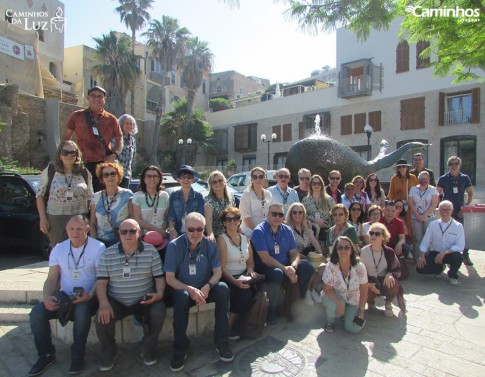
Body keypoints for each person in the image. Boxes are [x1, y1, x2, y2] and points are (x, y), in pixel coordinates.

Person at [29, 215, 105, 376]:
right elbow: (51, 278)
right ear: (66, 230)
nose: (75, 232)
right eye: (71, 229)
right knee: (37, 313)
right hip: (65, 295)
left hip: (88, 296)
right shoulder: (59, 248)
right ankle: (46, 355)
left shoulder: (98, 247)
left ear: (87, 229)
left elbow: (101, 278)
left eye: (79, 229)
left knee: (82, 313)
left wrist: (90, 296)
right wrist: (47, 296)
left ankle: (78, 355)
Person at [164, 212, 233, 372]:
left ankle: (222, 341)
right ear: (184, 228)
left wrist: (208, 286)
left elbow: (217, 272)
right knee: (181, 298)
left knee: (222, 289)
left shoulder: (210, 244)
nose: (195, 233)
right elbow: (169, 278)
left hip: (205, 288)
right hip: (184, 290)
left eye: (199, 229)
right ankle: (180, 349)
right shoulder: (174, 246)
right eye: (191, 229)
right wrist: (190, 290)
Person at [96, 219, 166, 371]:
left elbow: (159, 278)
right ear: (119, 234)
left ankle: (148, 348)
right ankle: (109, 350)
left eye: (132, 231)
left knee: (159, 312)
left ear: (139, 233)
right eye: (124, 231)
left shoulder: (151, 251)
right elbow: (101, 283)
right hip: (117, 301)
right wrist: (103, 303)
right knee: (101, 316)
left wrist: (159, 294)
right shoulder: (108, 253)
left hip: (143, 300)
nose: (128, 234)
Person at [251, 203, 315, 325]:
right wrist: (285, 269)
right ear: (267, 214)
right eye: (274, 214)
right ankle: (271, 312)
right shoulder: (259, 231)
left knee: (307, 268)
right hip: (265, 267)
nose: (277, 217)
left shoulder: (287, 230)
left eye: (280, 214)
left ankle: (295, 305)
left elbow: (294, 253)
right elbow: (265, 258)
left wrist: (293, 267)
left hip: (285, 266)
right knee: (277, 274)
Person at [63, 86, 122, 192]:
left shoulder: (111, 119)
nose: (96, 99)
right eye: (93, 96)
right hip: (81, 163)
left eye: (100, 96)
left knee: (102, 196)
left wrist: (115, 154)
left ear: (105, 99)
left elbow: (120, 140)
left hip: (103, 164)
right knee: (81, 194)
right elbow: (66, 137)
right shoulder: (77, 116)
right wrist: (66, 156)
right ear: (88, 98)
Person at [36, 141, 93, 248]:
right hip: (57, 218)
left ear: (77, 155)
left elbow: (91, 197)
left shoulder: (84, 172)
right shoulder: (51, 170)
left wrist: (91, 220)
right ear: (59, 154)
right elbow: (40, 195)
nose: (69, 155)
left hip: (79, 217)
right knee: (59, 251)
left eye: (73, 152)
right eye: (65, 152)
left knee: (79, 249)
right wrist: (43, 218)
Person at [217, 207, 258, 340]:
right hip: (228, 277)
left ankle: (250, 323)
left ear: (239, 221)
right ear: (223, 222)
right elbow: (221, 268)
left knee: (261, 288)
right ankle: (228, 326)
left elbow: (250, 262)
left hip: (243, 274)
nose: (232, 222)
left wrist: (250, 271)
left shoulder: (245, 238)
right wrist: (235, 282)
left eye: (235, 219)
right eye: (228, 219)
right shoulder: (222, 240)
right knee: (244, 292)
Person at [321, 236, 368, 333]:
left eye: (347, 247)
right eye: (340, 248)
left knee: (354, 329)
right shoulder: (331, 266)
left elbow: (364, 290)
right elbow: (326, 288)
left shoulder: (360, 267)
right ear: (336, 250)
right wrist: (340, 304)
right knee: (334, 305)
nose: (343, 250)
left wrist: (361, 312)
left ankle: (345, 315)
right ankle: (330, 321)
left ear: (351, 250)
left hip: (352, 300)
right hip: (335, 296)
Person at [360, 223, 405, 318]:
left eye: (377, 234)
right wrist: (368, 285)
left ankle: (388, 304)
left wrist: (390, 274)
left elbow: (396, 269)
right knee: (363, 286)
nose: (373, 236)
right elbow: (360, 272)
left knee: (393, 281)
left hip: (383, 280)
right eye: (371, 233)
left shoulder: (389, 252)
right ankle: (370, 302)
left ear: (384, 237)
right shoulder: (364, 251)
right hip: (369, 280)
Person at [437, 156, 474, 266]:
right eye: (451, 164)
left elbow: (470, 193)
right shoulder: (443, 178)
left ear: (459, 165)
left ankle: (465, 255)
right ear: (448, 165)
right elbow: (436, 194)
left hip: (459, 210)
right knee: (445, 232)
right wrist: (440, 207)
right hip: (446, 211)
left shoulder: (465, 178)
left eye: (456, 163)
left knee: (462, 232)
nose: (454, 166)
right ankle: (445, 255)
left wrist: (466, 206)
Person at [285, 202, 324, 305]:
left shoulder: (306, 228)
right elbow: (290, 250)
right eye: (295, 212)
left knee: (322, 265)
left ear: (303, 214)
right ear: (290, 214)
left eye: (300, 212)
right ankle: (307, 292)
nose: (297, 215)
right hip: (296, 257)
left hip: (308, 255)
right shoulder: (287, 229)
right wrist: (308, 257)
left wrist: (321, 255)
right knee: (311, 265)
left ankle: (312, 290)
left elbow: (315, 242)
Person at [417, 201, 465, 285]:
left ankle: (452, 275)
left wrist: (444, 252)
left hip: (449, 253)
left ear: (452, 210)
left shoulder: (458, 226)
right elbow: (425, 242)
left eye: (448, 210)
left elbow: (460, 246)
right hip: (435, 253)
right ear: (439, 210)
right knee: (420, 268)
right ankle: (439, 269)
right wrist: (422, 256)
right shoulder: (433, 224)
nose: (445, 212)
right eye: (442, 209)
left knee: (458, 257)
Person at [90, 162, 133, 247]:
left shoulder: (127, 195)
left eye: (113, 174)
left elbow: (133, 220)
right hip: (100, 242)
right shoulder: (96, 197)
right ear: (102, 178)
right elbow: (92, 223)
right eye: (106, 175)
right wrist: (94, 243)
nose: (109, 177)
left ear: (118, 176)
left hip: (121, 241)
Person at [166, 165, 205, 240]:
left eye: (189, 177)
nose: (186, 179)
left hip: (194, 233)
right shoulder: (173, 195)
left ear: (193, 180)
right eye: (183, 177)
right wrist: (172, 229)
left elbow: (200, 217)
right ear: (178, 180)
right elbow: (171, 217)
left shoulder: (198, 196)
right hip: (178, 234)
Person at [408, 171, 439, 262]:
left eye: (425, 179)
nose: (423, 180)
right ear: (418, 179)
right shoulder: (413, 189)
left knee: (428, 237)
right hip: (415, 216)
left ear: (429, 180)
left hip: (429, 216)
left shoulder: (433, 189)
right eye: (422, 179)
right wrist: (418, 215)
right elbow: (410, 202)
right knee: (417, 237)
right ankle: (417, 257)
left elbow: (434, 204)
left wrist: (424, 215)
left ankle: (428, 258)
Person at [132, 166, 169, 236]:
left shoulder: (165, 196)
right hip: (144, 236)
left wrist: (162, 232)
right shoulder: (137, 196)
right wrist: (158, 230)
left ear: (159, 179)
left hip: (162, 235)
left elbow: (167, 218)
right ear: (144, 179)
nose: (152, 179)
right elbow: (138, 220)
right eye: (148, 176)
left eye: (155, 176)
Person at [388, 159, 418, 242]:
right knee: (399, 224)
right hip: (398, 207)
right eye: (400, 167)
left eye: (404, 166)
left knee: (411, 225)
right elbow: (391, 194)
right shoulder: (394, 179)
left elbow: (417, 192)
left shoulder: (413, 177)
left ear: (407, 168)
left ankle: (411, 244)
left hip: (410, 206)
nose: (402, 168)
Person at [239, 167, 273, 237]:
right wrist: (258, 231)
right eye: (255, 177)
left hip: (266, 230)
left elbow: (271, 213)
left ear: (264, 178)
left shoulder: (268, 194)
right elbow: (245, 217)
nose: (258, 179)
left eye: (261, 177)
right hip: (250, 231)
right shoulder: (246, 194)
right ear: (252, 179)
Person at [205, 170, 235, 242]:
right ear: (211, 185)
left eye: (220, 180)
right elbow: (208, 220)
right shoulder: (209, 202)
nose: (218, 183)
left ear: (224, 182)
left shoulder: (231, 198)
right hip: (217, 236)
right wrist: (210, 234)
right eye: (214, 182)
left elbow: (234, 216)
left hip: (231, 233)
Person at [302, 174, 334, 241]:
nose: (316, 185)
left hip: (327, 229)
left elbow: (334, 212)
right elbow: (303, 215)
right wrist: (315, 220)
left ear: (322, 185)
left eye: (319, 183)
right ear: (311, 185)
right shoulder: (305, 200)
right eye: (314, 183)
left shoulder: (328, 199)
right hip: (312, 229)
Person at [115, 114, 137, 189]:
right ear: (121, 124)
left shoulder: (133, 141)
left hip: (126, 175)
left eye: (131, 124)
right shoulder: (116, 138)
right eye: (127, 123)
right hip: (115, 174)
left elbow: (132, 158)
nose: (129, 125)